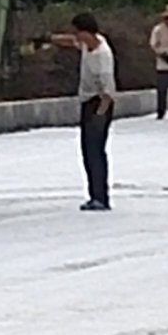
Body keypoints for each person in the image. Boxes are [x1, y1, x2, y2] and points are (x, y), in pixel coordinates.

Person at [51, 11, 117, 210]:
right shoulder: (88, 45)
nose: (76, 36)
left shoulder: (102, 56)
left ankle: (101, 198)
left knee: (95, 151)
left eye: (78, 32)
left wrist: (99, 116)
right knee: (87, 152)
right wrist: (49, 39)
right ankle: (94, 195)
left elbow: (108, 92)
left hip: (100, 104)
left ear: (87, 32)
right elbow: (70, 41)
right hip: (88, 101)